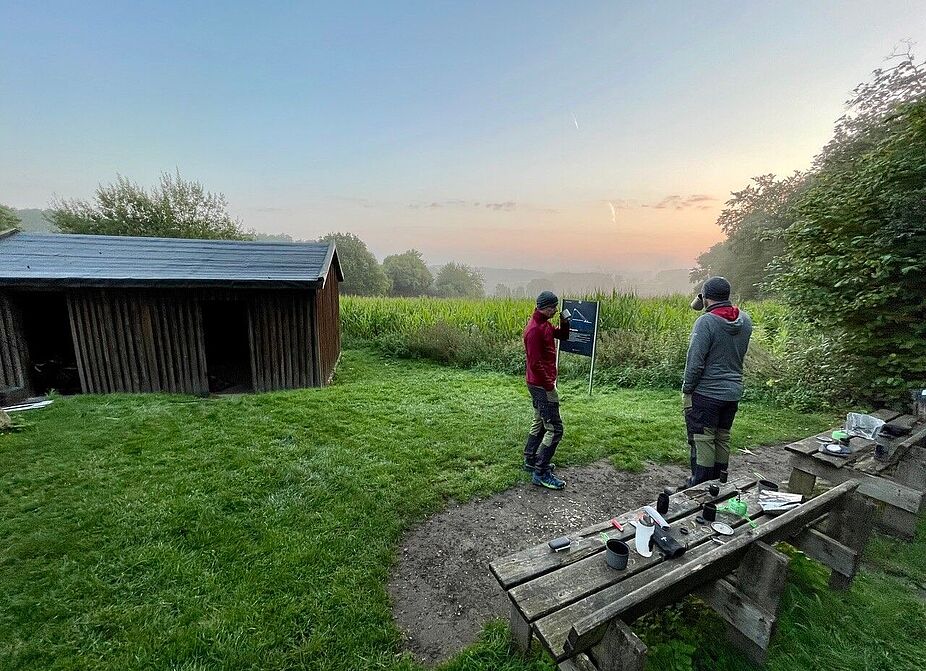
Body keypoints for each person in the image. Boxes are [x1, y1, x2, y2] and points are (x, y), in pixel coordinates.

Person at [682, 277, 753, 486]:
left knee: (702, 440)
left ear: (704, 297)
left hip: (706, 393)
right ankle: (718, 485)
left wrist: (687, 389)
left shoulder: (706, 322)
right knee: (722, 439)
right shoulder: (745, 320)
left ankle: (698, 487)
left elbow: (695, 361)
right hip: (732, 392)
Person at [522, 291, 570, 490]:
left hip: (539, 383)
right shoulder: (534, 330)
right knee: (555, 428)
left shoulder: (545, 325)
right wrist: (549, 384)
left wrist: (565, 320)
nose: (555, 310)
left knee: (539, 421)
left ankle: (530, 459)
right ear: (545, 306)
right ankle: (540, 473)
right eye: (553, 307)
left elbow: (563, 336)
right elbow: (534, 363)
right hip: (541, 385)